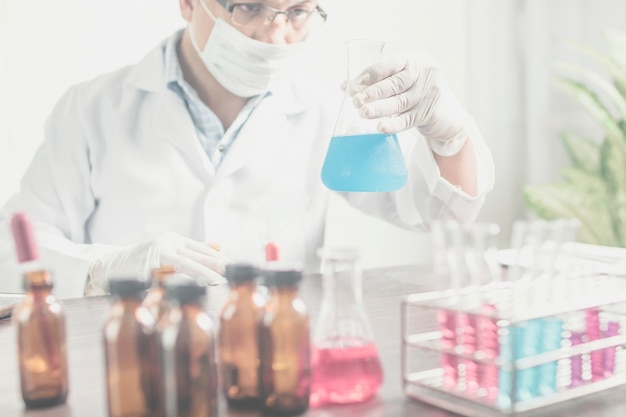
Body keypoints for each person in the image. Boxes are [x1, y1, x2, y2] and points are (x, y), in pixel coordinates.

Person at [0, 0, 494, 298]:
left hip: (270, 362)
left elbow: (441, 214)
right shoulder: (92, 109)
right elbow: (10, 250)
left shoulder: (325, 112)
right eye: (249, 6)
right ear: (189, 2)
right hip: (132, 360)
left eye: (297, 12)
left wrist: (448, 131)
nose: (275, 34)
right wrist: (104, 268)